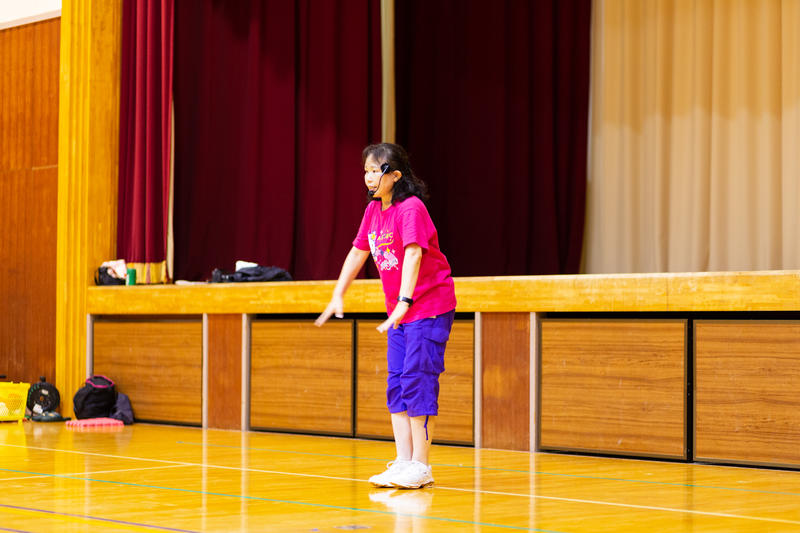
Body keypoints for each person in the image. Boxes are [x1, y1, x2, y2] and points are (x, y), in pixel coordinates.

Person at [315, 142, 457, 489]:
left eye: (375, 170)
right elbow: (357, 252)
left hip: (428, 307)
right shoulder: (373, 211)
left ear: (394, 175)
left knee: (418, 379)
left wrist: (405, 300)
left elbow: (413, 254)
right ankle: (403, 461)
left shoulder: (411, 209)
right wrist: (338, 293)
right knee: (396, 382)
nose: (368, 177)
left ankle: (421, 465)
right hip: (399, 313)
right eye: (365, 170)